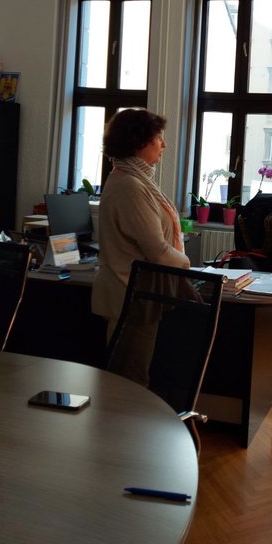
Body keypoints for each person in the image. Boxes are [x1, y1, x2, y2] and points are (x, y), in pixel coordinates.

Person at [92, 107, 190, 385]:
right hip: (130, 299)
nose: (164, 144)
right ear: (138, 143)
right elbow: (158, 251)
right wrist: (187, 264)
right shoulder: (130, 186)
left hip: (139, 296)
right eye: (158, 137)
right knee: (129, 383)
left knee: (133, 378)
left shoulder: (135, 180)